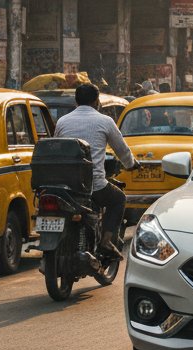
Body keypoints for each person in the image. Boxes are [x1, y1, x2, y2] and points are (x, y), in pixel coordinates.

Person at [53, 83, 138, 260]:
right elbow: (122, 151)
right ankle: (106, 242)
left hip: (65, 187)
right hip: (94, 186)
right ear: (96, 101)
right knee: (119, 199)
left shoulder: (62, 121)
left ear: (76, 101)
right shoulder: (105, 121)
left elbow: (56, 147)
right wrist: (131, 164)